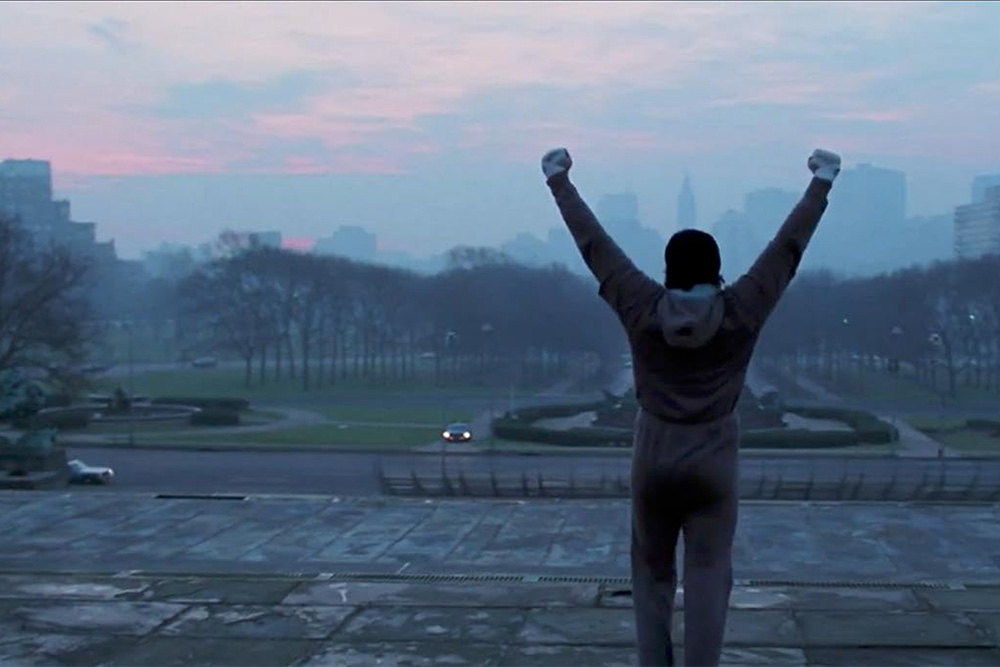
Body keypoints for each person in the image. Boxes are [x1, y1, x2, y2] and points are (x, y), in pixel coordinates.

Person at [541, 147, 841, 667]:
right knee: (708, 573)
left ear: (668, 268)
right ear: (717, 269)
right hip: (715, 462)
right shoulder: (743, 308)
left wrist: (559, 182)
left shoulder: (641, 304)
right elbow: (786, 250)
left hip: (653, 458)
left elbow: (596, 247)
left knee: (651, 574)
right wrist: (821, 182)